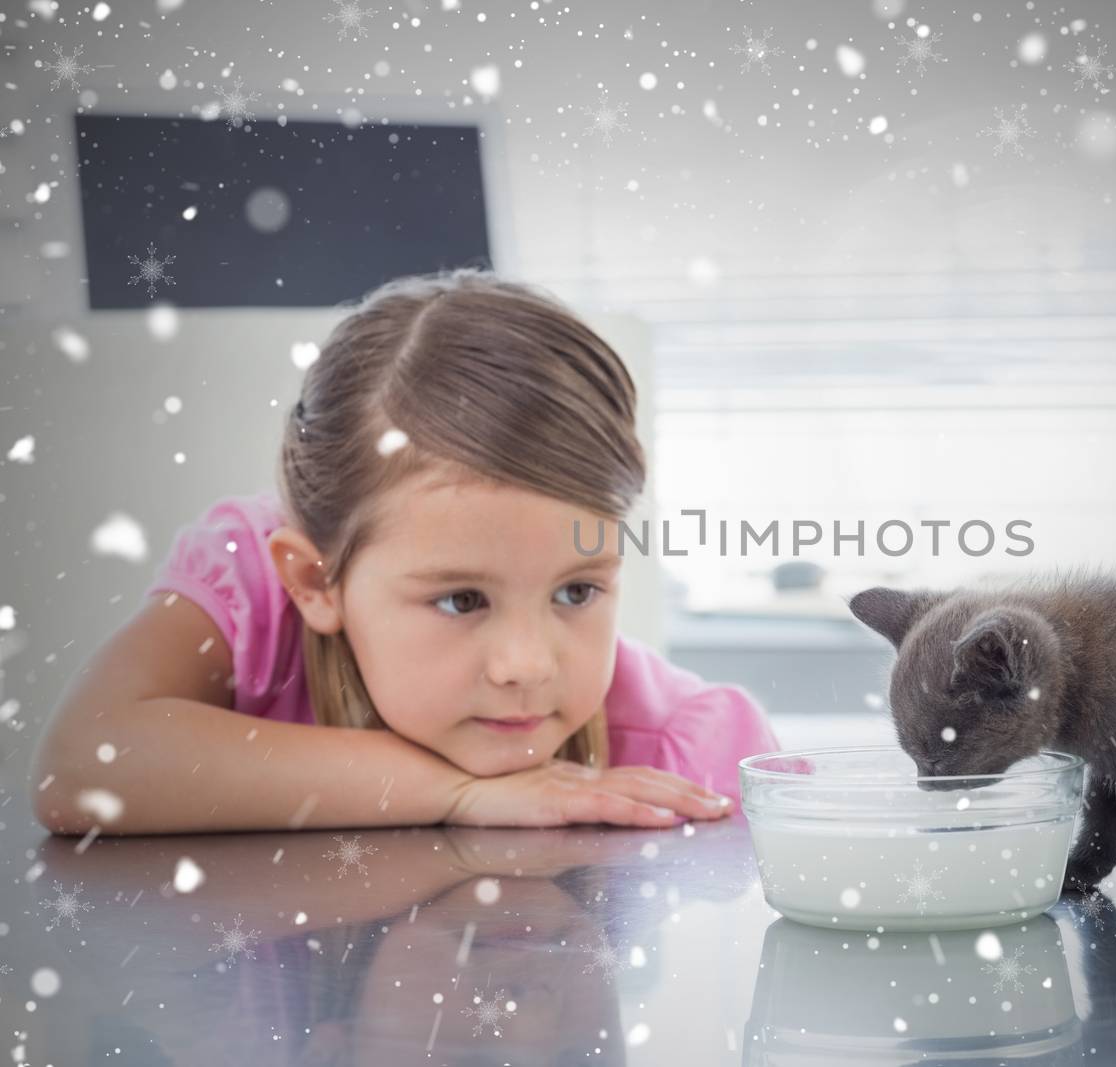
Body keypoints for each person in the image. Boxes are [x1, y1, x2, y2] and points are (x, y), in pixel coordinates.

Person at [31, 269, 781, 835]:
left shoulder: (686, 762)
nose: (526, 664)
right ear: (316, 580)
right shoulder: (254, 583)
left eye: (576, 592)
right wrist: (451, 792)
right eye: (461, 599)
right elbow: (82, 765)